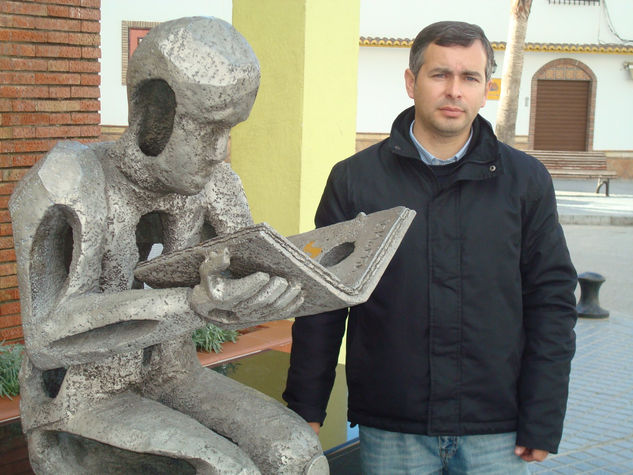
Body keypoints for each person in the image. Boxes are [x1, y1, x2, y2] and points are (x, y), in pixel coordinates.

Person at [10, 17, 327, 474]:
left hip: (176, 378)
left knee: (297, 453)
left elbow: (242, 273)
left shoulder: (216, 185)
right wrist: (190, 303)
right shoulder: (68, 181)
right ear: (154, 107)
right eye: (210, 129)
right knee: (226, 469)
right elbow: (46, 338)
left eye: (231, 129)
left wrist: (295, 281)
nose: (221, 150)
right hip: (82, 402)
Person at [283, 20, 577, 474]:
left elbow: (552, 301)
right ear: (411, 82)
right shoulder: (355, 180)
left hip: (495, 429)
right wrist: (305, 405)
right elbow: (323, 301)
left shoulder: (526, 181)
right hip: (392, 425)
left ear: (486, 89)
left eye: (469, 77)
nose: (454, 90)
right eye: (440, 75)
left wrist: (543, 415)